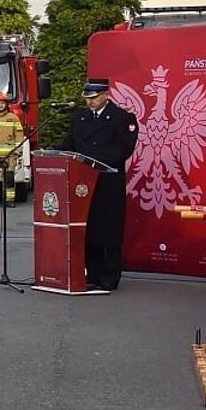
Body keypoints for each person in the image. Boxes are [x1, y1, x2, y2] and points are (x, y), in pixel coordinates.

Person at [55, 78, 139, 291]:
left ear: (105, 95)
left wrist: (91, 158)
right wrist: (53, 152)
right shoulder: (80, 118)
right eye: (87, 98)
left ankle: (110, 276)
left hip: (107, 181)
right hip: (82, 181)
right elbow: (70, 143)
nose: (89, 102)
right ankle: (93, 273)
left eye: (93, 98)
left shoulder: (122, 118)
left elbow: (124, 148)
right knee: (88, 226)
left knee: (109, 228)